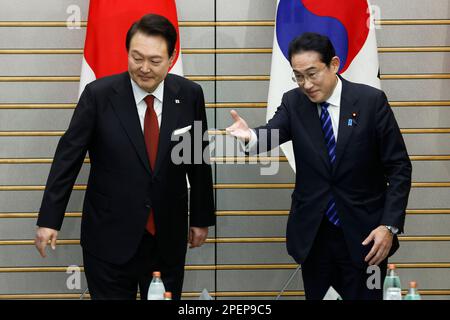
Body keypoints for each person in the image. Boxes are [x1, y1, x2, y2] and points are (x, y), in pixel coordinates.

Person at [34, 14, 215, 300]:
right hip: (109, 238)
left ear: (171, 58)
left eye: (155, 61)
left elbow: (197, 161)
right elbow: (68, 158)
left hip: (166, 237)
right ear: (127, 52)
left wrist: (201, 218)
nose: (144, 68)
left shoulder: (190, 95)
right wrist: (49, 220)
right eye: (136, 57)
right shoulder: (99, 95)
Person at [226, 32, 411, 300]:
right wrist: (250, 136)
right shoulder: (294, 102)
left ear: (333, 64)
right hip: (315, 236)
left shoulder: (370, 102)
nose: (306, 84)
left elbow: (399, 168)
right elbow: (272, 132)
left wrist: (389, 226)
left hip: (366, 236)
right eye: (298, 76)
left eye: (313, 73)